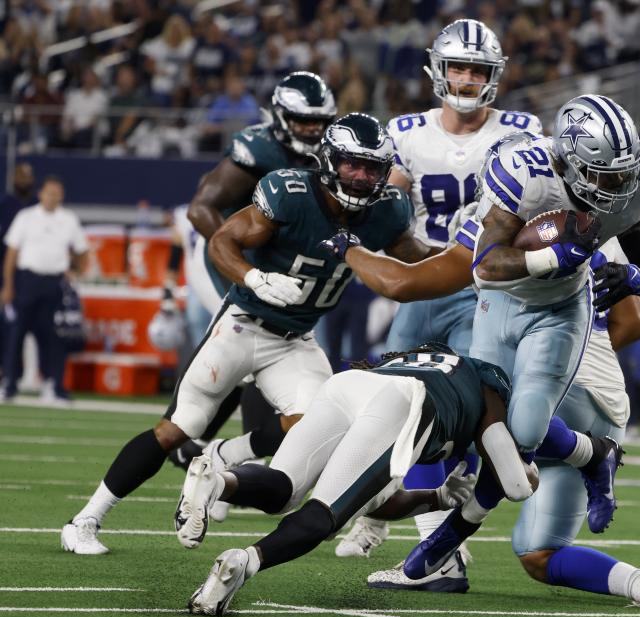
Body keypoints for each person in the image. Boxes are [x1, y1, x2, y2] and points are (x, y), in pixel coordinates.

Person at [60, 113, 436, 555]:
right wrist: (255, 278)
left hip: (296, 340)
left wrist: (466, 257)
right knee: (180, 426)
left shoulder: (388, 208)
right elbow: (222, 240)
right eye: (351, 164)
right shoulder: (291, 192)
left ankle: (224, 456)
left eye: (370, 167)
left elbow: (414, 258)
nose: (359, 176)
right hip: (242, 324)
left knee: (317, 425)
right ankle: (85, 519)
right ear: (330, 160)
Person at [323, 222, 640, 612]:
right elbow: (633, 324)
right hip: (605, 410)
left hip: (557, 401)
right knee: (539, 553)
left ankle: (439, 552)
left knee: (447, 409)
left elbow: (406, 282)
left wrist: (352, 250)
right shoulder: (599, 230)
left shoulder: (508, 223)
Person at [400, 93, 640, 582]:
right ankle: (436, 552)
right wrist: (551, 258)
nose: (617, 187)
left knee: (506, 433)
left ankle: (435, 553)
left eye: (622, 174)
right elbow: (485, 264)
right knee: (482, 432)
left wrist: (636, 280)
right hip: (504, 306)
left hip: (567, 328)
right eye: (604, 175)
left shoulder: (627, 189)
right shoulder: (524, 178)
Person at [335, 18, 542, 580]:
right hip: (427, 281)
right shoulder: (406, 132)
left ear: (493, 75)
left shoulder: (520, 130)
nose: (469, 78)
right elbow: (387, 209)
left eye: (479, 69)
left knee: (466, 409)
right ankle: (378, 514)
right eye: (460, 67)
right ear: (439, 69)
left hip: (487, 290)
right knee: (392, 401)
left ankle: (439, 540)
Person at [182, 344, 530, 615]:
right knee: (325, 517)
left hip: (348, 384)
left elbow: (378, 503)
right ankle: (246, 562)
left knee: (283, 487)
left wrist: (438, 497)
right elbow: (514, 481)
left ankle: (218, 483)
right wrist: (525, 470)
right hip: (404, 402)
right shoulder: (487, 382)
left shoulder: (418, 361)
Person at [167, 71, 337, 478]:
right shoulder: (257, 148)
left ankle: (206, 444)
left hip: (281, 267)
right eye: (303, 121)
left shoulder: (332, 152)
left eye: (319, 120)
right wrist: (241, 262)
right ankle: (187, 433)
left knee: (257, 357)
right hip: (223, 257)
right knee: (247, 343)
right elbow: (200, 209)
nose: (313, 129)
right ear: (280, 117)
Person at [1, 175, 88, 403]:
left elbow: (82, 250)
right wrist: (8, 286)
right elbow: (11, 253)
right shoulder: (26, 217)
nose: (52, 197)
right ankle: (9, 384)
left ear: (62, 196)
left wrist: (76, 271)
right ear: (41, 194)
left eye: (56, 193)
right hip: (28, 281)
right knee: (16, 334)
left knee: (54, 337)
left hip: (55, 283)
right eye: (49, 193)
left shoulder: (68, 219)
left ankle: (54, 385)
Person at [0, 162, 35, 380]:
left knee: (23, 324)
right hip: (5, 269)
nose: (24, 180)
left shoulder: (35, 206)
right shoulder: (6, 203)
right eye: (20, 176)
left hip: (29, 273)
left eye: (28, 176)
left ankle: (22, 372)